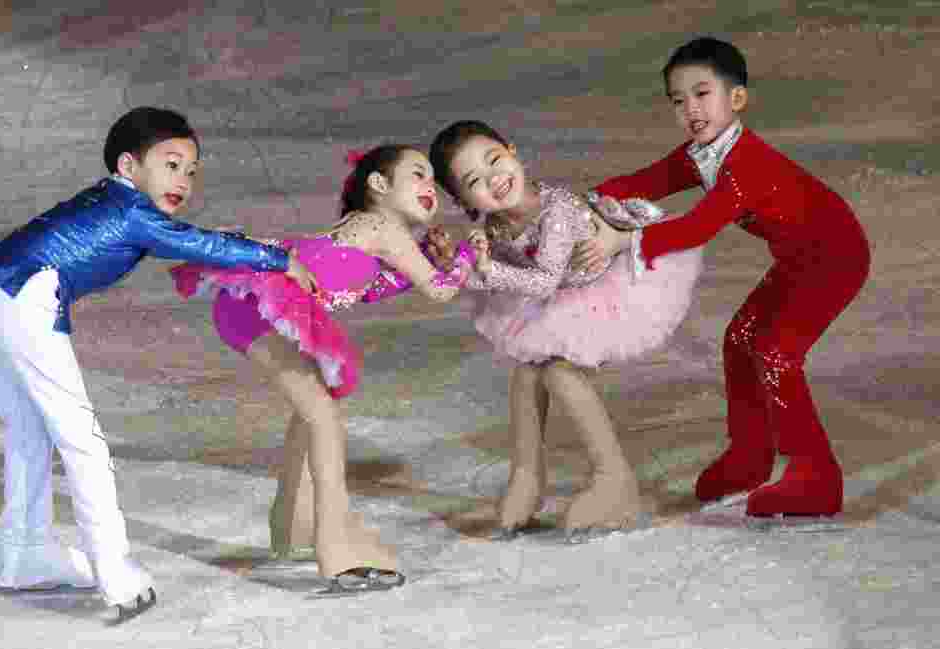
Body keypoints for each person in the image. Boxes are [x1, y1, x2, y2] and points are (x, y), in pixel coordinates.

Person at [0, 107, 316, 613]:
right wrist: (279, 258)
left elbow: (194, 239)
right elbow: (197, 242)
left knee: (30, 432)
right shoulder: (130, 210)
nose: (184, 180)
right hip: (22, 295)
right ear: (128, 166)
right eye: (171, 164)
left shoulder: (116, 205)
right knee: (82, 441)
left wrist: (239, 245)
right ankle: (114, 568)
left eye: (191, 171)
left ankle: (25, 552)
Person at [573, 37, 871, 518]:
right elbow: (644, 182)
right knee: (740, 340)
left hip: (837, 257)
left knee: (775, 351)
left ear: (736, 99)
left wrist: (622, 242)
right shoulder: (701, 154)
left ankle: (815, 475)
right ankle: (750, 454)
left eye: (701, 93)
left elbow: (698, 226)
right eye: (677, 100)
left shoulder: (745, 164)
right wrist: (580, 204)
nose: (690, 108)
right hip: (798, 259)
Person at [170, 145, 470, 592]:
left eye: (432, 180)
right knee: (324, 416)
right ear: (379, 185)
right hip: (262, 306)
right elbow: (441, 291)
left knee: (316, 408)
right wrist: (469, 256)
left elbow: (368, 289)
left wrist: (428, 256)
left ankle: (293, 527)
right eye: (418, 174)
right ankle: (336, 548)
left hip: (249, 305)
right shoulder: (384, 225)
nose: (430, 187)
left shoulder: (364, 228)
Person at [428, 120, 703, 540]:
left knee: (558, 372)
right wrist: (457, 266)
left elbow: (541, 281)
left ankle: (615, 480)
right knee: (527, 373)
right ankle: (526, 479)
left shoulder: (554, 211)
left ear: (513, 151)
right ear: (463, 199)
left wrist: (483, 266)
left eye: (494, 160)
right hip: (557, 295)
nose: (494, 180)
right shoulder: (495, 227)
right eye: (474, 180)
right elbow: (498, 279)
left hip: (605, 287)